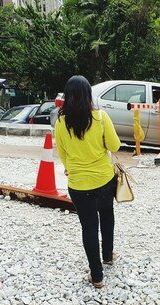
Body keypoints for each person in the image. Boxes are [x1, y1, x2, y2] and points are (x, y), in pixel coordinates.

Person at [55, 75, 121, 289]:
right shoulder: (101, 117)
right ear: (87, 95)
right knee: (107, 214)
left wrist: (71, 166)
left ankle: (97, 275)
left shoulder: (61, 122)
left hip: (78, 184)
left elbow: (62, 152)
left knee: (89, 227)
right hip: (104, 179)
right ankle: (108, 255)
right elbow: (115, 146)